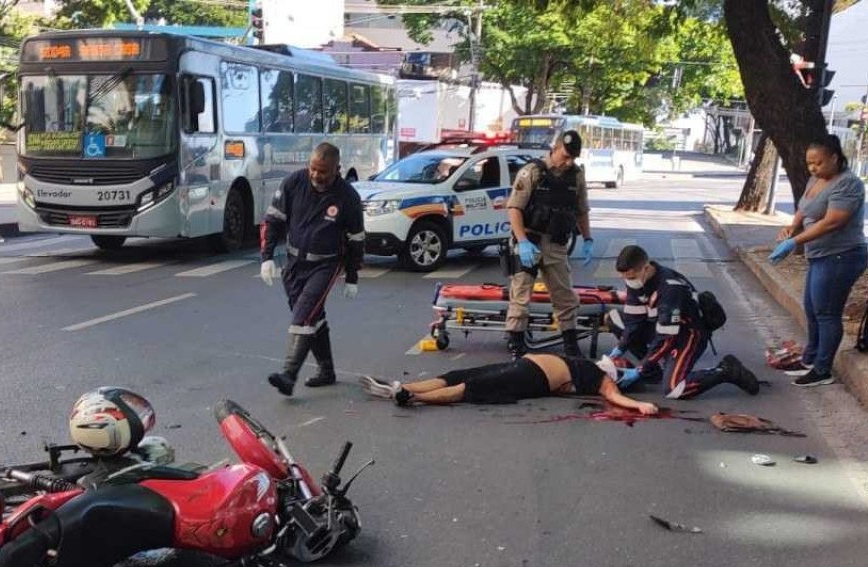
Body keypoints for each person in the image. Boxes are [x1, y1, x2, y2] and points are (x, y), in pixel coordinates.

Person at [260, 142, 365, 396]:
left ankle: (289, 374)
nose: (317, 175)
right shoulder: (293, 183)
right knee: (313, 317)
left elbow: (356, 240)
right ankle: (326, 370)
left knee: (304, 315)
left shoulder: (348, 197)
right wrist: (266, 257)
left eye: (323, 172)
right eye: (313, 169)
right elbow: (272, 221)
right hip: (295, 263)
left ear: (336, 169)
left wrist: (352, 276)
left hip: (326, 264)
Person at [769, 134, 867, 387]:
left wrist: (795, 242)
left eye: (819, 162)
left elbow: (833, 221)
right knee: (812, 310)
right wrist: (792, 227)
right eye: (810, 163)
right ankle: (810, 359)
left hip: (841, 256)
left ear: (835, 157)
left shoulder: (848, 184)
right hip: (819, 255)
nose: (813, 168)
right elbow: (805, 205)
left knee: (826, 313)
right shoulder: (817, 179)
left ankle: (822, 370)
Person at [608, 244, 760, 399]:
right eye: (625, 278)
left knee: (674, 389)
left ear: (646, 268)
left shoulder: (670, 289)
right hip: (662, 326)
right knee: (615, 319)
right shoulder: (638, 280)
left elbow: (667, 338)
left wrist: (640, 368)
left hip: (688, 333)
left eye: (631, 277)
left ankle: (726, 370)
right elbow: (634, 321)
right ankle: (652, 373)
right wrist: (619, 349)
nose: (628, 281)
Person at [505, 130, 596, 358]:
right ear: (554, 149)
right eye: (565, 155)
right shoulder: (533, 171)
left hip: (556, 243)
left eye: (573, 157)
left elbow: (581, 210)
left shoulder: (576, 175)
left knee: (565, 295)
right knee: (521, 294)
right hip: (529, 239)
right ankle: (516, 345)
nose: (569, 161)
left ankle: (570, 345)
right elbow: (514, 208)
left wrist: (587, 238)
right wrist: (523, 242)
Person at [359, 353, 659, 415]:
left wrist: (640, 404)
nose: (620, 361)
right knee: (465, 380)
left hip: (529, 373)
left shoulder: (600, 377)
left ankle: (407, 393)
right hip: (526, 370)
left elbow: (616, 396)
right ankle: (407, 391)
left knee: (469, 384)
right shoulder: (593, 368)